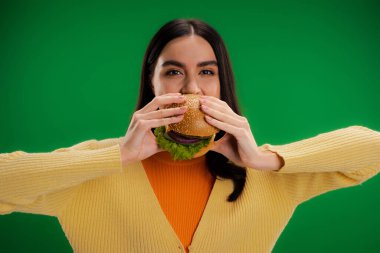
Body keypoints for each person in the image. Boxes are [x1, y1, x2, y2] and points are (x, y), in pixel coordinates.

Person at [0, 18, 379, 253]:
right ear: (151, 81)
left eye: (208, 72)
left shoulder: (267, 175)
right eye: (174, 72)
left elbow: (373, 149)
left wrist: (266, 159)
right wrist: (116, 156)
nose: (192, 90)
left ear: (222, 85)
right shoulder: (92, 168)